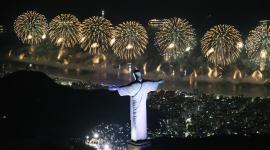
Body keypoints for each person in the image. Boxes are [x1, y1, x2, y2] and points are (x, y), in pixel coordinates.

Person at [109, 70, 164, 142]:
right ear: (141, 75)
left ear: (134, 76)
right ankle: (142, 138)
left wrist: (117, 88)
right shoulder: (146, 83)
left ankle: (137, 139)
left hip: (136, 107)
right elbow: (153, 84)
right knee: (142, 120)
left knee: (136, 120)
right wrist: (158, 82)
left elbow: (125, 89)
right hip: (143, 107)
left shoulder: (135, 85)